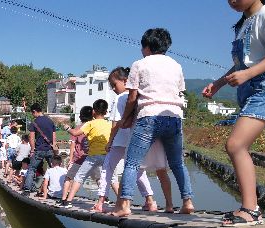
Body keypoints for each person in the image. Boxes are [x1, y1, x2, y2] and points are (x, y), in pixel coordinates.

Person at [203, 0, 265, 227]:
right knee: (237, 145)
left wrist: (248, 74)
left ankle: (251, 210)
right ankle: (250, 208)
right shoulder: (242, 24)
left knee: (235, 145)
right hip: (249, 89)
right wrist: (219, 83)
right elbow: (240, 64)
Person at [110, 28, 195, 217]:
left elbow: (132, 97)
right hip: (174, 116)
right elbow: (179, 92)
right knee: (177, 163)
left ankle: (124, 205)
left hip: (149, 115)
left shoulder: (139, 64)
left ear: (146, 46)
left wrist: (124, 119)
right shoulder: (176, 65)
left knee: (132, 163)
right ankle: (187, 202)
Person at [92, 67, 168, 213]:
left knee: (107, 169)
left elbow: (115, 123)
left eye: (114, 85)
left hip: (119, 139)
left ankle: (100, 202)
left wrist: (109, 141)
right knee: (138, 171)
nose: (114, 89)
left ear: (125, 81)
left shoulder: (120, 98)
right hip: (134, 139)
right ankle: (150, 201)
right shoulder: (138, 97)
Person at [60, 99, 112, 208]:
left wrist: (70, 160)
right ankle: (106, 199)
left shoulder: (86, 126)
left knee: (71, 178)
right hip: (102, 156)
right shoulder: (107, 124)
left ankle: (65, 199)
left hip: (83, 159)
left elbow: (73, 143)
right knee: (101, 178)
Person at [56, 106, 93, 205]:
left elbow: (72, 145)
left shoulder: (77, 129)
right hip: (92, 158)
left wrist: (70, 159)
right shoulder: (93, 127)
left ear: (80, 116)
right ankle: (104, 199)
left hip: (78, 159)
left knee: (69, 177)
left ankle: (64, 199)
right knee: (99, 178)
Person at [22, 103, 56, 196]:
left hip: (39, 150)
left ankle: (27, 190)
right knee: (54, 169)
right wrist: (54, 149)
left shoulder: (35, 122)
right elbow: (54, 137)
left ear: (34, 111)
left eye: (32, 114)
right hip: (50, 149)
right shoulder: (50, 121)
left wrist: (32, 150)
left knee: (32, 169)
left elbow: (31, 138)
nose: (33, 116)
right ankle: (57, 189)